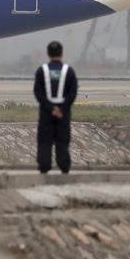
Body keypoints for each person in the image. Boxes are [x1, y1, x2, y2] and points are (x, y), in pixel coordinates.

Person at [33, 40, 78, 174]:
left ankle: (44, 168)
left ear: (48, 54)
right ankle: (64, 168)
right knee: (62, 141)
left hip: (46, 113)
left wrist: (51, 108)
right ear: (61, 54)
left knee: (45, 142)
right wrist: (62, 109)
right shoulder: (68, 71)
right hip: (63, 113)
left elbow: (38, 92)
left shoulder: (42, 71)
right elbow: (72, 93)